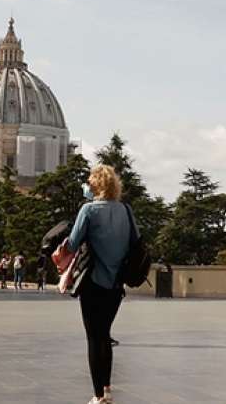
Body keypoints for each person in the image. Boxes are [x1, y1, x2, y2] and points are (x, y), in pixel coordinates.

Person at [63, 165, 134, 404]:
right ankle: (107, 388)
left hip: (93, 282)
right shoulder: (126, 210)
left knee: (94, 338)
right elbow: (135, 242)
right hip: (116, 284)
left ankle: (97, 396)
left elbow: (72, 245)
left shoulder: (89, 210)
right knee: (105, 335)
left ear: (95, 185)